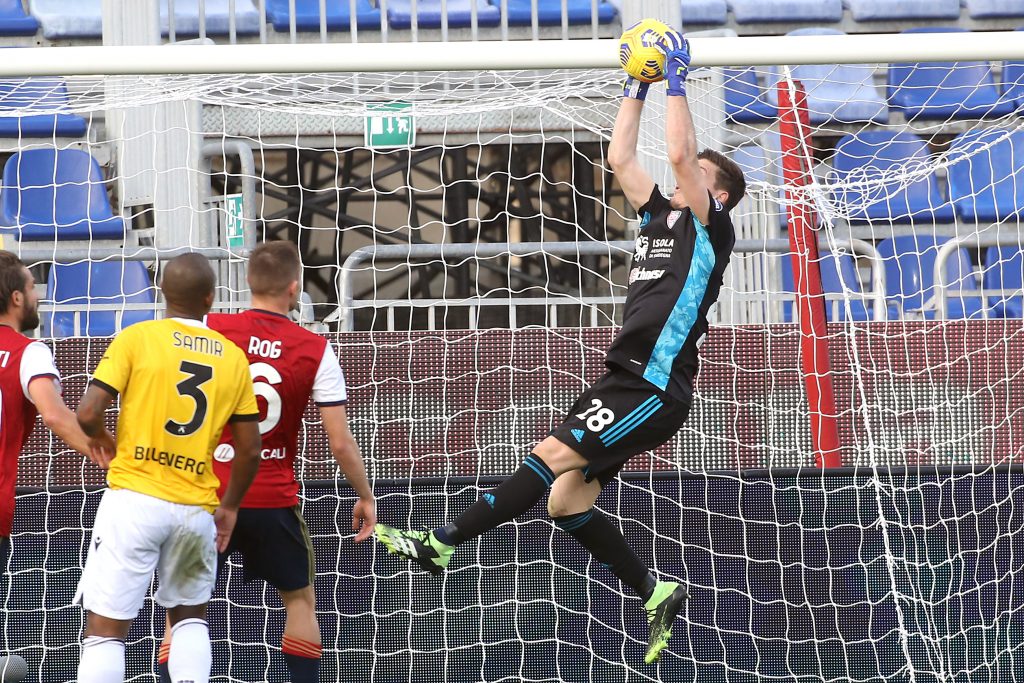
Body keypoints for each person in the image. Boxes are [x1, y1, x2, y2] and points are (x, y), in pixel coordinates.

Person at [375, 28, 746, 665]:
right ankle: (654, 590)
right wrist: (638, 82)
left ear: (717, 196)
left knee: (547, 456)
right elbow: (621, 160)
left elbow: (683, 155)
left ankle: (444, 541)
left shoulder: (713, 231)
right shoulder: (660, 216)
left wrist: (678, 79)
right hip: (631, 374)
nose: (682, 172)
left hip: (650, 383)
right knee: (565, 499)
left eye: (700, 175)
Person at [155, 240, 375, 683]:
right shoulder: (315, 348)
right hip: (272, 498)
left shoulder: (210, 327)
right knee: (299, 601)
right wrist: (365, 495)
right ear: (294, 288)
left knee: (181, 608)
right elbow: (340, 443)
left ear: (247, 283)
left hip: (206, 493)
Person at [74, 253, 262, 683]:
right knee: (190, 620)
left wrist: (104, 440)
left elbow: (87, 413)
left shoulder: (136, 338)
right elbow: (250, 449)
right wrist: (230, 506)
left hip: (134, 501)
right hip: (195, 509)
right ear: (211, 299)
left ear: (162, 293)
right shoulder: (232, 358)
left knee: (106, 633)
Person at [0, 251, 113, 568]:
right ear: (18, 297)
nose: (38, 296)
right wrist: (111, 457)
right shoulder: (28, 352)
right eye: (34, 288)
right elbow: (53, 414)